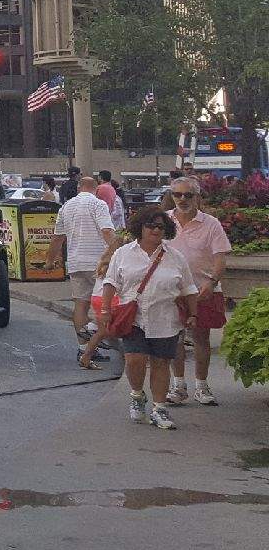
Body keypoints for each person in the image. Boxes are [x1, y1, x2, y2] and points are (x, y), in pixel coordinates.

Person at [101, 207, 197, 430]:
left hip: (166, 318)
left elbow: (189, 288)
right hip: (133, 318)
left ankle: (159, 408)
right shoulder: (123, 253)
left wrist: (193, 314)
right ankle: (136, 395)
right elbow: (110, 282)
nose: (155, 230)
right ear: (140, 227)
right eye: (150, 225)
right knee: (134, 359)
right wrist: (105, 310)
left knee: (161, 363)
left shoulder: (176, 257)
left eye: (160, 227)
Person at [165, 176, 230, 406]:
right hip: (172, 292)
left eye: (188, 195)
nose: (182, 199)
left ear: (197, 197)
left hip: (203, 290)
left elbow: (220, 257)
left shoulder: (211, 223)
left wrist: (212, 282)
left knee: (201, 338)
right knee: (175, 339)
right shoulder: (164, 222)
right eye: (177, 195)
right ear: (171, 196)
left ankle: (202, 386)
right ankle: (178, 385)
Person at [51, 176, 119, 366]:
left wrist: (49, 261)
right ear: (96, 189)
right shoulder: (98, 204)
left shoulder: (65, 207)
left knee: (81, 304)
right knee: (107, 302)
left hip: (75, 262)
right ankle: (93, 333)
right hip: (97, 262)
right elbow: (107, 231)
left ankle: (84, 347)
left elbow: (57, 237)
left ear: (79, 188)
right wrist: (118, 251)